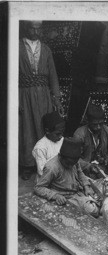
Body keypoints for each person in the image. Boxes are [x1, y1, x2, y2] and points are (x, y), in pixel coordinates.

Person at [19, 20, 63, 180]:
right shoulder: (16, 47)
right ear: (26, 27)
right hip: (24, 94)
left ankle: (46, 163)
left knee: (43, 126)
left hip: (44, 95)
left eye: (38, 28)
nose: (35, 31)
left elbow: (53, 76)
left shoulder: (46, 49)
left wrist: (56, 99)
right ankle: (27, 164)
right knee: (27, 127)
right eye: (32, 28)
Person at [34, 138, 100, 217]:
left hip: (77, 191)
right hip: (65, 197)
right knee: (93, 210)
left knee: (100, 197)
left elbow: (80, 173)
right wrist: (56, 196)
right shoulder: (52, 167)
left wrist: (86, 186)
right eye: (68, 163)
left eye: (73, 163)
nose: (70, 166)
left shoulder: (74, 161)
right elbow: (38, 188)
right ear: (60, 156)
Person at [32, 111, 65, 180]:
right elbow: (42, 172)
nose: (60, 136)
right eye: (57, 134)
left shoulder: (61, 140)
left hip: (62, 175)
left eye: (62, 133)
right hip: (47, 179)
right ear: (47, 131)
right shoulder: (40, 147)